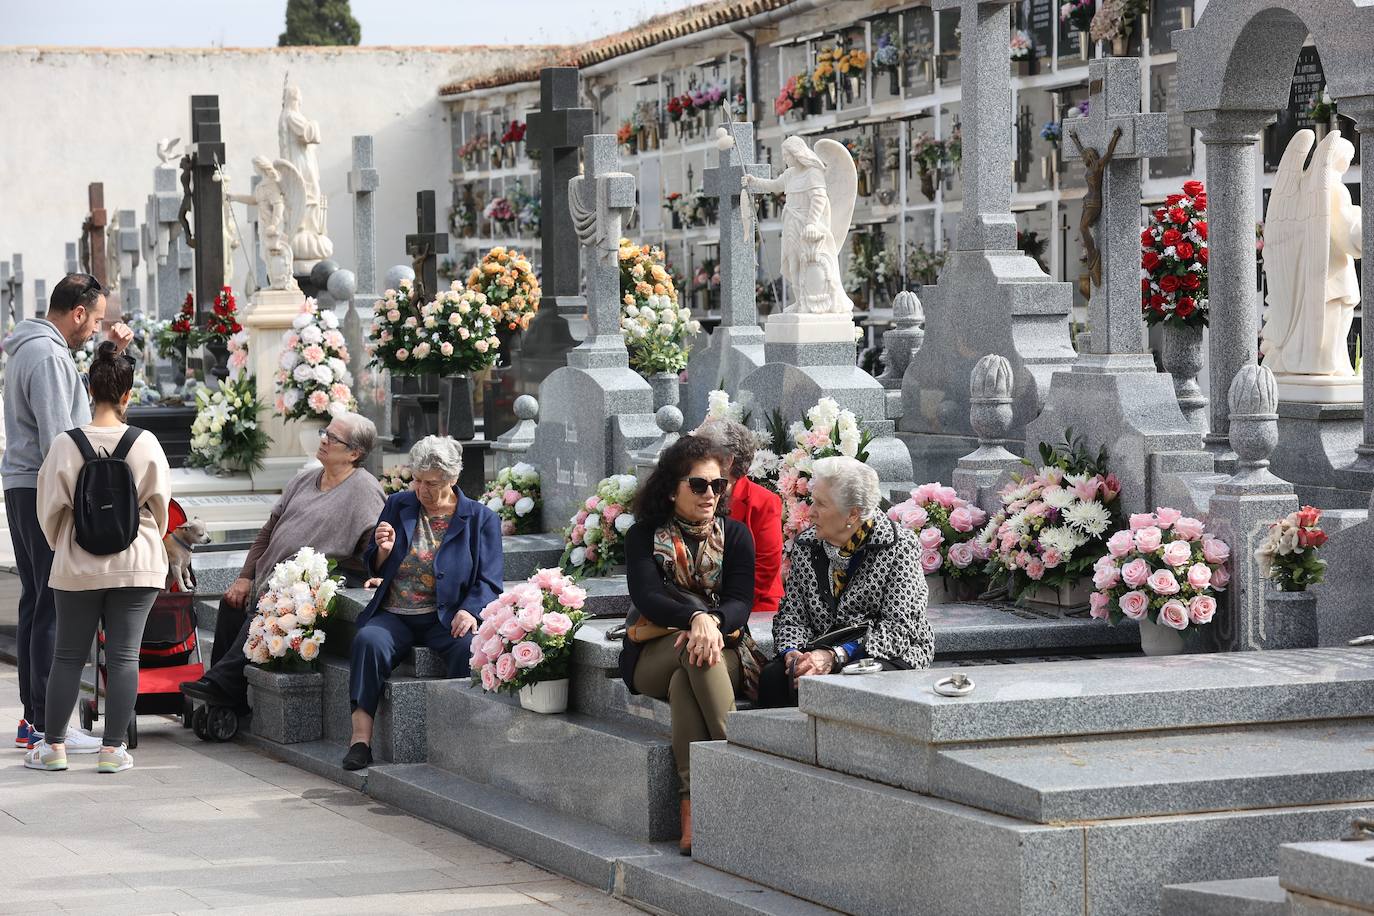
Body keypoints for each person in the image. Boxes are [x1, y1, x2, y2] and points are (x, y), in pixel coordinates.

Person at [26, 342, 170, 772]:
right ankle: (111, 751)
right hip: (137, 563)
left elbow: (47, 509)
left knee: (68, 656)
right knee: (125, 657)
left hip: (77, 564)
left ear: (89, 388)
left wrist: (67, 545)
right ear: (129, 394)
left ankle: (53, 747)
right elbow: (160, 507)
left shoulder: (65, 445)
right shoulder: (145, 443)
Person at [3, 273, 132, 753]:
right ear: (78, 312)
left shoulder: (30, 348)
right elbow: (63, 439)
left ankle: (34, 718)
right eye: (95, 319)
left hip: (23, 484)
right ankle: (45, 722)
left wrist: (107, 352)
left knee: (38, 600)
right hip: (43, 487)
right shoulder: (49, 355)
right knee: (54, 603)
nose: (94, 328)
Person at [180, 412, 384, 712]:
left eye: (333, 438)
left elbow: (372, 549)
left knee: (273, 603)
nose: (324, 440)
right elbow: (267, 533)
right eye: (325, 433)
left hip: (310, 584)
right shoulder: (304, 479)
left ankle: (221, 681)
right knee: (231, 603)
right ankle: (225, 694)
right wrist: (245, 576)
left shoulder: (365, 490)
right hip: (271, 575)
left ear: (354, 453)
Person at [622, 435, 756, 856]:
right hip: (653, 654)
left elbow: (740, 603)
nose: (711, 494)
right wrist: (696, 618)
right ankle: (744, 774)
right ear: (671, 488)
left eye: (718, 486)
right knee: (691, 650)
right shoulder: (643, 535)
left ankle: (692, 810)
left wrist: (711, 622)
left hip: (725, 650)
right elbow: (649, 598)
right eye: (699, 485)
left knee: (691, 673)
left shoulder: (735, 536)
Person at [345, 436, 502, 771]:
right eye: (416, 479)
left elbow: (489, 580)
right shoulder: (399, 504)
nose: (421, 489)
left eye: (431, 483)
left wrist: (469, 610)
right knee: (368, 642)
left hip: (445, 618)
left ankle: (461, 740)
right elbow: (372, 562)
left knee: (470, 648)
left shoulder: (481, 519)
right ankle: (360, 740)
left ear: (452, 479)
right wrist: (382, 551)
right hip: (396, 613)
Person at [759, 456, 933, 708]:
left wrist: (836, 656)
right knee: (775, 678)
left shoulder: (898, 546)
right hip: (819, 648)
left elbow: (899, 629)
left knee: (850, 680)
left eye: (821, 504)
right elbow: (791, 616)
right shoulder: (807, 545)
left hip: (886, 652)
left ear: (852, 513)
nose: (811, 512)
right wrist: (793, 654)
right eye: (812, 501)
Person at [694, 418, 783, 614]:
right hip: (695, 606)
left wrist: (723, 613)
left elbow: (764, 569)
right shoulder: (689, 491)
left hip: (753, 606)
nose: (691, 456)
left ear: (727, 461)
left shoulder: (763, 502)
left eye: (700, 451)